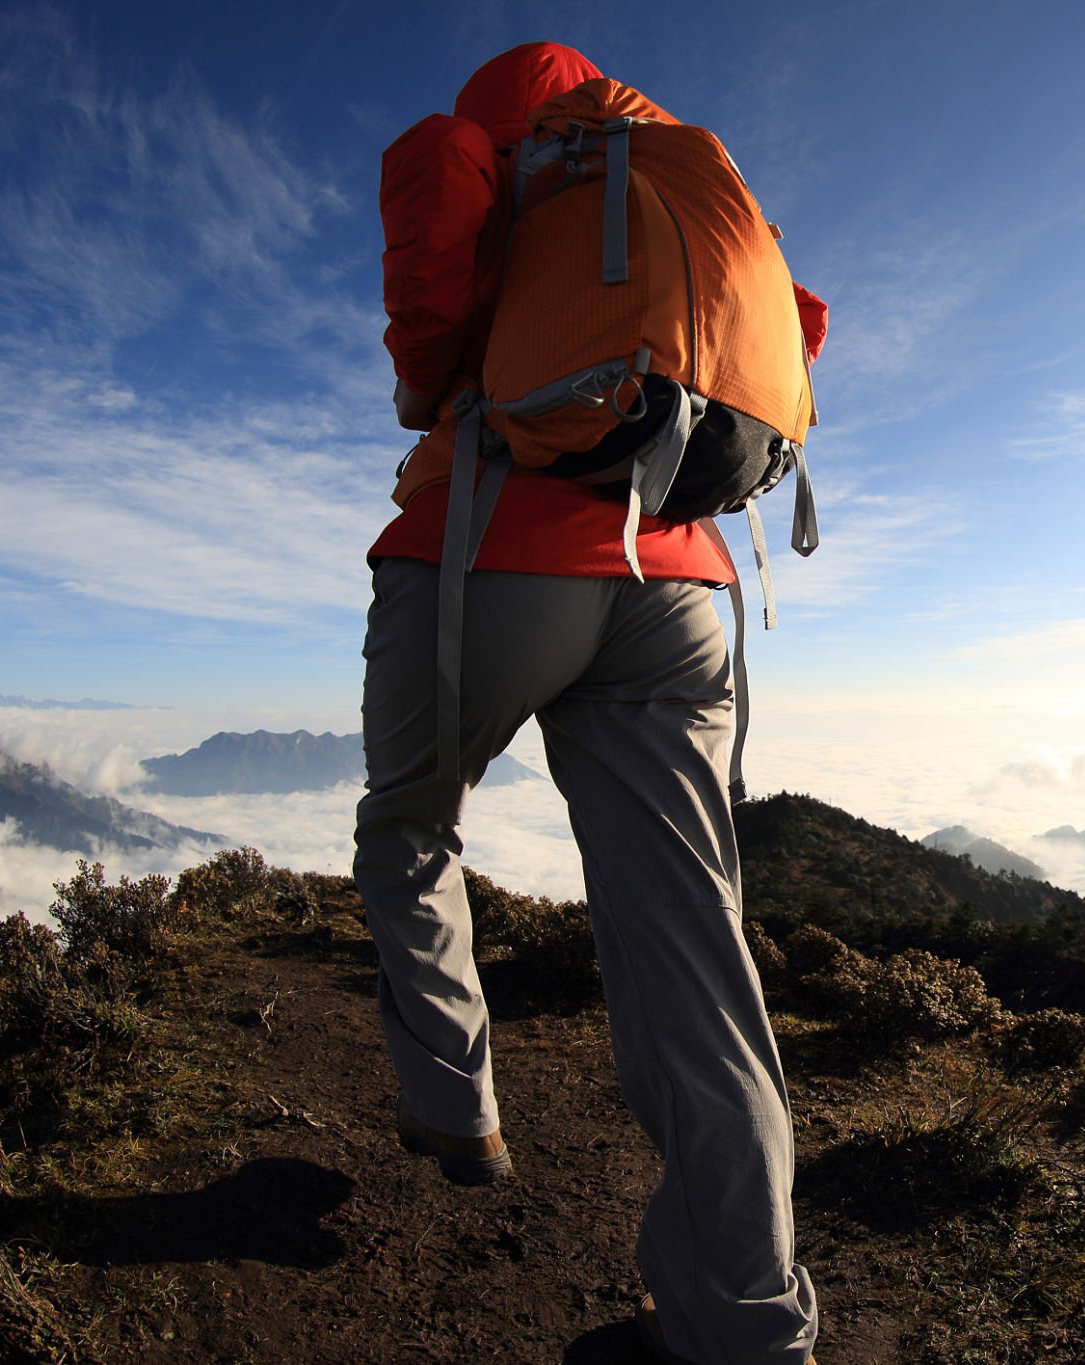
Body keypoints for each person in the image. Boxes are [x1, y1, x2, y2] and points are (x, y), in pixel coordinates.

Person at [350, 41, 822, 1365]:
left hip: (492, 550)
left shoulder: (499, 140)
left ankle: (455, 1103)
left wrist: (429, 385)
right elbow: (802, 327)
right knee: (692, 943)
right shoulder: (696, 173)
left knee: (408, 830)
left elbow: (432, 304)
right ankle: (743, 1321)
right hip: (681, 586)